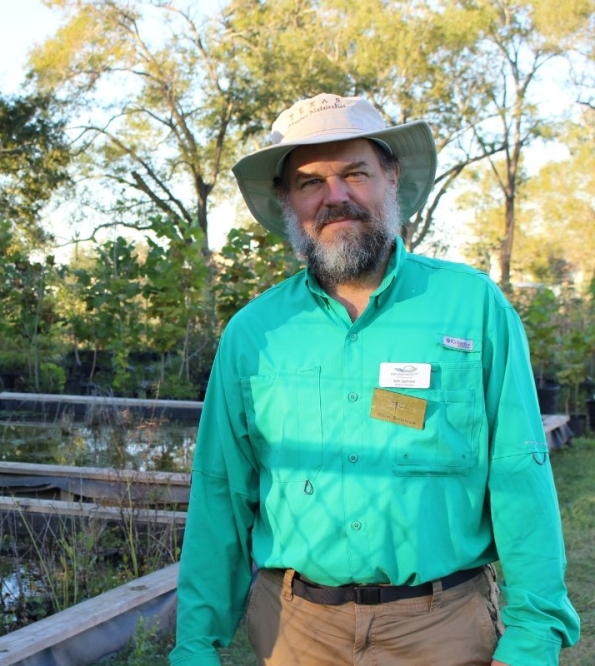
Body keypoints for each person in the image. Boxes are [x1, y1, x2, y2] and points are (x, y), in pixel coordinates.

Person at [170, 93, 580, 666]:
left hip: (444, 631)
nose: (334, 196)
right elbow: (221, 494)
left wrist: (532, 634)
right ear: (289, 200)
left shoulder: (473, 308)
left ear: (390, 177)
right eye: (310, 181)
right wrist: (195, 642)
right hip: (294, 635)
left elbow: (518, 475)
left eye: (354, 173)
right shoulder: (254, 333)